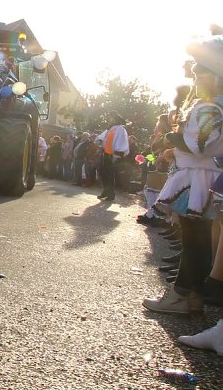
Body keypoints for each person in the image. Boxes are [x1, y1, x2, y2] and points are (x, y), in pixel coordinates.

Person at [143, 36, 223, 315]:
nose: (195, 77)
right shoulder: (213, 104)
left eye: (201, 72)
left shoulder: (211, 106)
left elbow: (203, 144)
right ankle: (193, 298)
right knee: (197, 239)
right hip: (201, 174)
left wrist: (172, 139)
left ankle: (178, 296)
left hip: (198, 178)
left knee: (194, 241)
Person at [95, 111, 129, 201]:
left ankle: (110, 194)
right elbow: (102, 137)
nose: (109, 120)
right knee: (103, 173)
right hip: (106, 154)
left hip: (113, 155)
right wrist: (99, 140)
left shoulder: (120, 129)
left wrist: (118, 154)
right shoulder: (110, 129)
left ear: (115, 118)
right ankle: (106, 191)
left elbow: (121, 142)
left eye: (111, 118)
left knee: (109, 175)